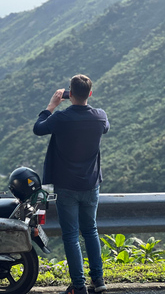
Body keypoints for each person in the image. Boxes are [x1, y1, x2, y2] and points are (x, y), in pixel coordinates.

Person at [33, 74, 110, 294]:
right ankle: (99, 280)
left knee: (71, 235)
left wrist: (51, 106)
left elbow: (38, 128)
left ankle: (78, 285)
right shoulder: (100, 116)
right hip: (91, 185)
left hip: (66, 186)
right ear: (90, 93)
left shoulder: (61, 118)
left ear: (70, 93)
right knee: (91, 231)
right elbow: (106, 127)